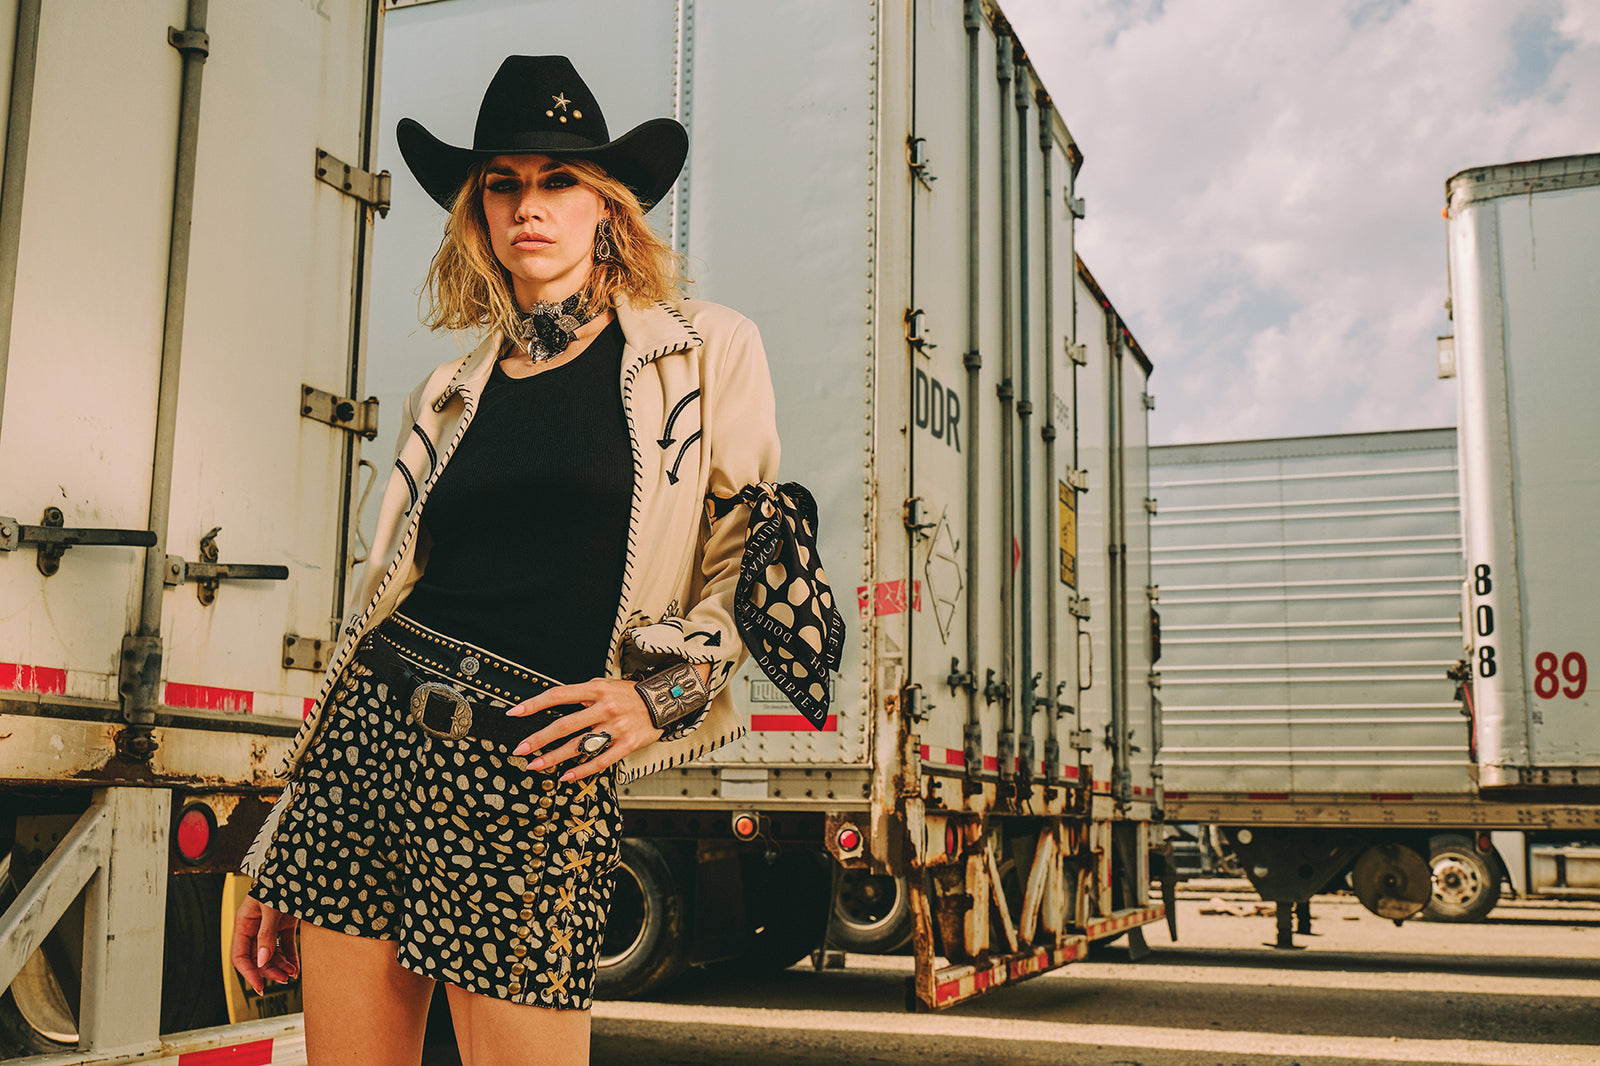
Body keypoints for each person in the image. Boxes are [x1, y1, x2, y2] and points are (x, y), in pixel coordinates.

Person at [228, 55, 785, 1066]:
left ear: (606, 206)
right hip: (370, 745)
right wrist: (279, 839)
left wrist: (654, 694)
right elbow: (372, 616)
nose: (530, 204)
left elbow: (746, 564)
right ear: (477, 212)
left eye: (558, 179)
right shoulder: (448, 391)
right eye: (503, 183)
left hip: (535, 763)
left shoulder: (702, 353)